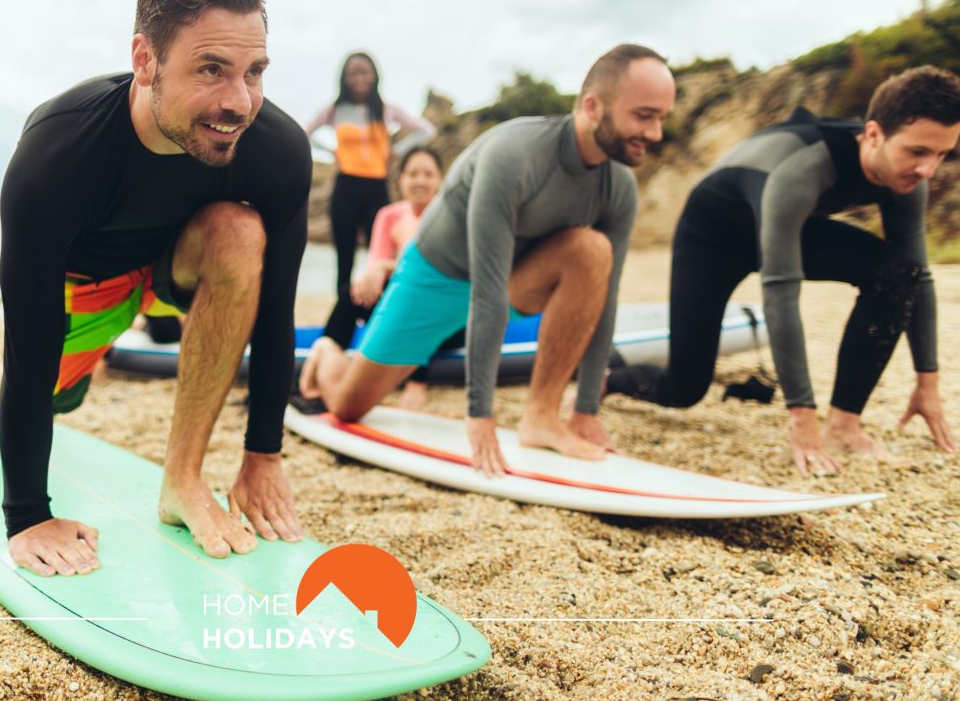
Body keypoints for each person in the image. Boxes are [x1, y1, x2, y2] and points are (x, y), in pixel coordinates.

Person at [0, 0, 312, 576]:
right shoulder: (57, 155)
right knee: (50, 396)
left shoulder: (277, 152)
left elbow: (276, 312)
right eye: (211, 69)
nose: (240, 102)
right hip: (85, 284)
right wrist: (27, 516)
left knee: (238, 230)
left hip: (174, 265)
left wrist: (263, 455)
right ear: (145, 60)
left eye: (254, 71)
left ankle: (182, 480)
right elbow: (33, 340)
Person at [299, 44, 676, 476]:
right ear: (593, 106)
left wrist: (587, 409)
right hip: (435, 276)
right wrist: (479, 415)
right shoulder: (514, 154)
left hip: (515, 277)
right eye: (644, 116)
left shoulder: (619, 188)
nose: (655, 133)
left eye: (661, 118)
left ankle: (543, 417)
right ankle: (328, 353)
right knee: (348, 406)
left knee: (593, 252)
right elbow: (487, 291)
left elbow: (604, 302)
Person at [606, 66, 960, 474]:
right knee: (684, 388)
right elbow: (780, 291)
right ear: (874, 134)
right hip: (712, 241)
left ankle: (845, 425)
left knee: (898, 270)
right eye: (918, 152)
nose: (928, 170)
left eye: (942, 154)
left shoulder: (909, 180)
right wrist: (801, 414)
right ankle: (608, 380)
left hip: (781, 225)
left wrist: (927, 383)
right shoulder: (804, 167)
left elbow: (919, 275)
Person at [305, 53, 436, 341]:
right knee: (345, 258)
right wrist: (332, 153)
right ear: (344, 78)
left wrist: (395, 153)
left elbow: (426, 130)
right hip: (346, 188)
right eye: (353, 73)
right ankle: (343, 321)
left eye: (365, 73)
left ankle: (381, 314)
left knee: (383, 254)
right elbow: (305, 133)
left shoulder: (386, 110)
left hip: (377, 188)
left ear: (375, 75)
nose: (359, 78)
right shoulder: (335, 111)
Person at [345, 146, 455, 410]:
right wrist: (379, 270)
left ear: (440, 179)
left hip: (442, 311)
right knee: (348, 295)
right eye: (412, 173)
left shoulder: (451, 216)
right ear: (401, 180)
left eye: (428, 174)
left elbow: (442, 274)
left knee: (425, 301)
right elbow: (376, 266)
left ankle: (417, 381)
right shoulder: (389, 215)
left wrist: (387, 267)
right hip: (401, 301)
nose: (420, 181)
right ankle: (327, 353)